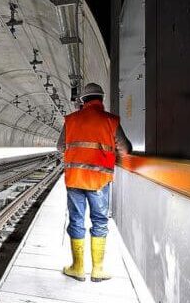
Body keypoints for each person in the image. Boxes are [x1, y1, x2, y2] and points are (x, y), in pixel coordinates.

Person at [57, 82, 132, 282]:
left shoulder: (71, 120)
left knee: (76, 220)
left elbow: (59, 147)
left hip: (74, 179)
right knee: (99, 221)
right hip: (99, 181)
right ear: (102, 99)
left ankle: (77, 268)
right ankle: (98, 270)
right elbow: (125, 149)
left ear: (83, 100)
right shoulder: (111, 121)